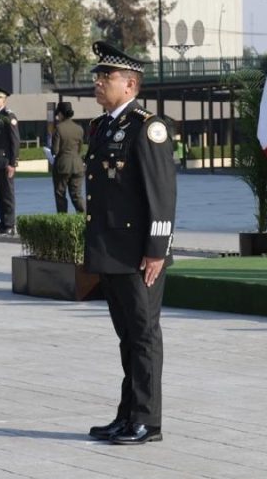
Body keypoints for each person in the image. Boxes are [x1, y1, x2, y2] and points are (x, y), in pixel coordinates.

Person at [85, 41, 176, 446]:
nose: (99, 83)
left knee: (143, 337)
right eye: (98, 76)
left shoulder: (147, 127)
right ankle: (127, 415)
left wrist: (157, 250)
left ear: (131, 84)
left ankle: (147, 421)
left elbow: (161, 193)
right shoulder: (103, 126)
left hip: (140, 255)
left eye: (107, 77)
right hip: (113, 251)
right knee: (127, 339)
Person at [0, 85, 19, 235]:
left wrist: (13, 163)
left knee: (7, 194)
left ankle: (9, 224)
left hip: (5, 161)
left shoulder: (9, 116)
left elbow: (15, 141)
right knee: (0, 194)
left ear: (4, 100)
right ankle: (3, 223)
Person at [48, 101, 85, 213]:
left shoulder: (58, 128)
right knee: (77, 195)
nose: (57, 116)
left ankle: (63, 220)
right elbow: (80, 149)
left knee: (60, 194)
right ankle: (86, 217)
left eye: (58, 114)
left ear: (61, 114)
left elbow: (55, 150)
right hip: (78, 165)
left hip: (62, 166)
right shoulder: (79, 128)